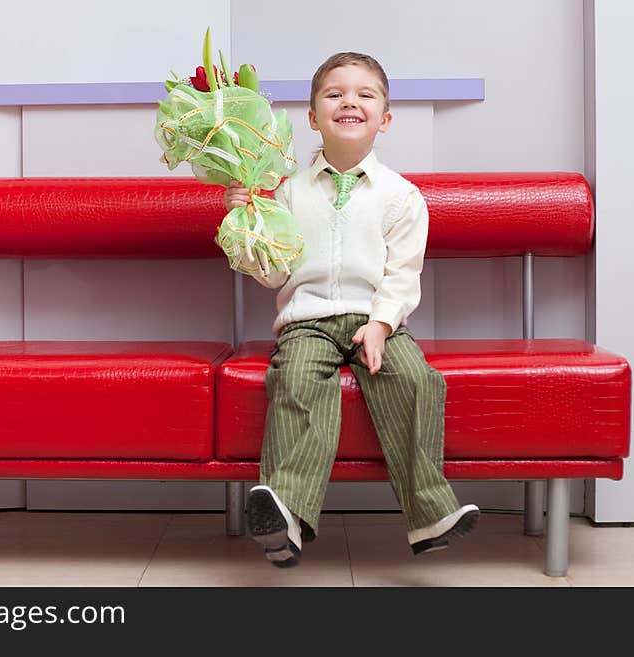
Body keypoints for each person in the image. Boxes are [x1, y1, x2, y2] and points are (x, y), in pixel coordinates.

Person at [224, 52, 479, 568]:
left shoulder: (402, 197)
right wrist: (247, 221)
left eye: (365, 94)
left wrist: (382, 324)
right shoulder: (286, 194)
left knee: (416, 381)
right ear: (313, 117)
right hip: (308, 320)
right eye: (334, 94)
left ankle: (430, 514)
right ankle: (286, 517)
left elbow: (403, 272)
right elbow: (274, 273)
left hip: (378, 319)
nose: (350, 102)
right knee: (295, 380)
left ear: (384, 119)